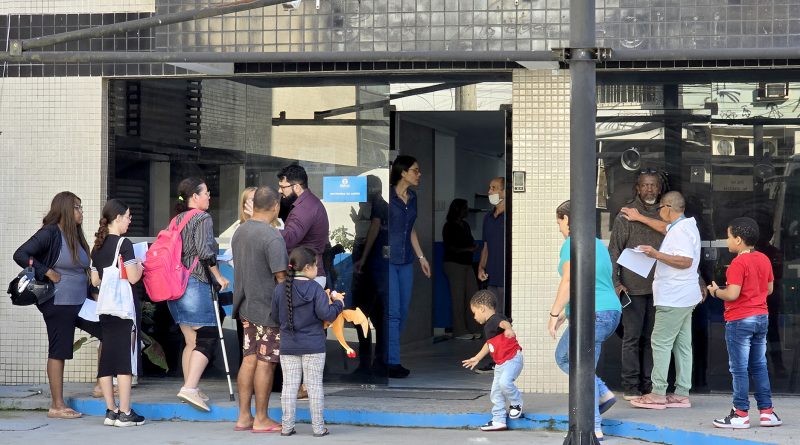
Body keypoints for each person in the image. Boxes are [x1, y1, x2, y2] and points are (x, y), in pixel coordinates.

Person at [13, 191, 102, 419]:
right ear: (65, 210)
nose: (81, 212)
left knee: (109, 331)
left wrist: (93, 293)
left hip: (81, 301)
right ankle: (57, 405)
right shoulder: (50, 232)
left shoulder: (75, 235)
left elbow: (84, 269)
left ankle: (101, 385)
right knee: (59, 350)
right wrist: (46, 271)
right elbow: (21, 254)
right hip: (58, 302)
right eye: (77, 207)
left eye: (81, 207)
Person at [548, 200, 622, 440]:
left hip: (593, 314)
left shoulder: (572, 243)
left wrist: (553, 313)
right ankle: (602, 394)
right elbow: (593, 282)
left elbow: (569, 280)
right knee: (579, 364)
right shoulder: (597, 244)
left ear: (567, 220)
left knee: (572, 362)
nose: (560, 229)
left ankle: (594, 425)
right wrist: (566, 313)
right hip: (610, 311)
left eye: (559, 223)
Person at [707, 217, 782, 429]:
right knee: (759, 365)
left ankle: (740, 413)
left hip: (740, 319)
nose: (727, 241)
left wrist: (715, 292)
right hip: (761, 317)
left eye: (729, 236)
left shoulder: (738, 263)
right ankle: (767, 413)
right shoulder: (764, 259)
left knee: (739, 368)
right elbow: (769, 289)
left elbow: (732, 294)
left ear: (738, 240)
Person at [631, 191, 701, 410]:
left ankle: (658, 393)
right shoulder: (685, 226)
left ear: (668, 207)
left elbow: (686, 261)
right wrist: (639, 217)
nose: (658, 210)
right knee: (682, 345)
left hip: (673, 297)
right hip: (685, 296)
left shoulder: (680, 231)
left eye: (660, 207)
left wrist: (656, 254)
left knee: (660, 342)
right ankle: (681, 393)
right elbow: (665, 228)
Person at [168, 177, 230, 412]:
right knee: (208, 334)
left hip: (175, 284)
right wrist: (219, 276)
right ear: (194, 196)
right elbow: (205, 252)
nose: (209, 196)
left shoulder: (177, 219)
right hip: (194, 283)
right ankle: (190, 387)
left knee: (191, 341)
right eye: (206, 193)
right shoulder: (202, 218)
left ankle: (189, 386)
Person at [231, 186, 288, 432]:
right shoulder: (272, 236)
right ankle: (262, 418)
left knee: (249, 359)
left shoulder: (240, 231)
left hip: (246, 306)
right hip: (268, 309)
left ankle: (244, 416)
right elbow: (281, 277)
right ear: (275, 206)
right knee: (267, 361)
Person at [271, 247, 345, 437]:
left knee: (289, 387)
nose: (317, 270)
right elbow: (326, 314)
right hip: (314, 346)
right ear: (307, 267)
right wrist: (338, 303)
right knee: (314, 387)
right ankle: (319, 428)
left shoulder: (280, 289)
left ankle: (287, 427)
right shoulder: (315, 289)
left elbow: (275, 317)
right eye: (316, 266)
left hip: (288, 346)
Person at [608, 170, 665, 400]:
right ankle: (630, 386)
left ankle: (649, 385)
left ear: (659, 189)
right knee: (631, 339)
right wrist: (616, 282)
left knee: (653, 339)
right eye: (645, 185)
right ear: (638, 188)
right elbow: (614, 251)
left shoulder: (666, 214)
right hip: (632, 289)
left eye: (653, 185)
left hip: (660, 287)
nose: (649, 189)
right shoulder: (626, 215)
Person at [89, 199, 145, 427]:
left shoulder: (97, 246)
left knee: (107, 359)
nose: (130, 221)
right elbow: (133, 277)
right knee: (124, 360)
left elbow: (95, 280)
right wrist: (140, 264)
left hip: (104, 308)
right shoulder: (124, 243)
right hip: (122, 308)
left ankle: (111, 411)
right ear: (118, 218)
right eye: (128, 217)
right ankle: (125, 412)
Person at [382, 155, 432, 378]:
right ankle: (391, 361)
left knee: (402, 312)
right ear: (403, 172)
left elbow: (410, 229)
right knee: (393, 313)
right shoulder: (387, 196)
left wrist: (422, 257)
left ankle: (386, 354)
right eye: (415, 170)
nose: (419, 174)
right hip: (388, 261)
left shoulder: (413, 198)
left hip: (406, 260)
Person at [461, 290, 523, 432]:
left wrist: (508, 329)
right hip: (501, 363)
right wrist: (477, 358)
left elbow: (504, 323)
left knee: (504, 383)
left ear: (482, 308)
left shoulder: (495, 319)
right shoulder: (489, 326)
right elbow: (489, 344)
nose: (474, 317)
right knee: (496, 392)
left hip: (512, 359)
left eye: (474, 313)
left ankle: (516, 402)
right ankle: (498, 420)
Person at [277, 164, 330, 288]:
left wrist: (263, 226)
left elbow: (289, 238)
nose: (279, 190)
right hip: (306, 275)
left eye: (283, 187)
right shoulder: (307, 203)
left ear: (296, 187)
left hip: (307, 278)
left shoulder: (305, 208)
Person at [442, 198, 480, 340]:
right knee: (458, 298)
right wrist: (468, 249)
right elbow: (451, 247)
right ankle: (459, 331)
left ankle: (473, 327)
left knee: (472, 295)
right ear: (457, 210)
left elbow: (470, 241)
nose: (467, 210)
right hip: (454, 264)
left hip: (467, 263)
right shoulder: (449, 226)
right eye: (465, 208)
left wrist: (473, 247)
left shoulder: (465, 225)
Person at [478, 177, 506, 315]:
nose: (489, 192)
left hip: (506, 276)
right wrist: (481, 267)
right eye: (489, 188)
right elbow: (486, 246)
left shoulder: (512, 217)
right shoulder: (488, 218)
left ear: (504, 192)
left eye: (493, 188)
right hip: (491, 276)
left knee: (504, 316)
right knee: (492, 316)